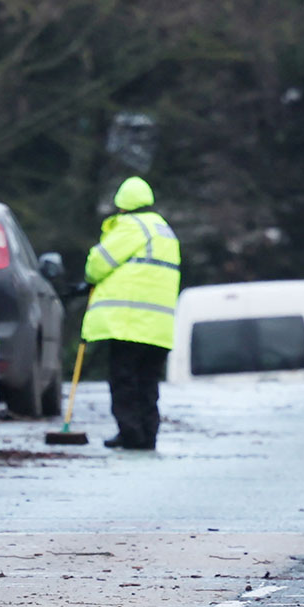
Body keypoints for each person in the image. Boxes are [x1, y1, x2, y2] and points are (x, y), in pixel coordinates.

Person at [83, 176, 180, 450]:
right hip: (158, 326)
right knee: (148, 383)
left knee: (124, 380)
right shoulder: (165, 230)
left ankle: (130, 434)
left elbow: (97, 264)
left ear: (121, 206)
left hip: (129, 323)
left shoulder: (131, 227)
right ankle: (148, 434)